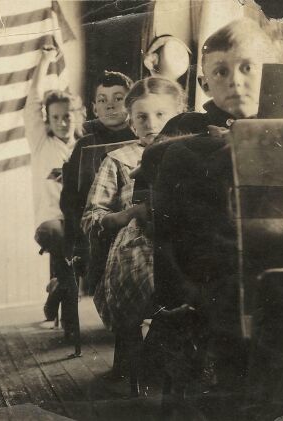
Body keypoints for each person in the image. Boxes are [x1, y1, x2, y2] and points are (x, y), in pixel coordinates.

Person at [137, 18, 281, 403]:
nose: (236, 81)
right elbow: (169, 226)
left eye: (248, 67)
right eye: (221, 71)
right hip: (215, 274)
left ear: (271, 71)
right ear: (204, 84)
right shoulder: (187, 137)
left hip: (281, 262)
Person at [82, 77, 186, 383]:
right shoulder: (118, 160)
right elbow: (91, 216)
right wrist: (125, 215)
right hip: (136, 243)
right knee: (152, 276)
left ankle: (171, 352)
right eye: (142, 116)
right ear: (131, 122)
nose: (152, 124)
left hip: (183, 239)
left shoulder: (191, 153)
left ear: (178, 115)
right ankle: (152, 350)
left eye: (161, 115)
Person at [25, 46, 86, 346]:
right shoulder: (41, 144)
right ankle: (71, 329)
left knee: (70, 268)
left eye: (68, 116)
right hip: (50, 222)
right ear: (48, 120)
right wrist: (45, 61)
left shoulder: (84, 148)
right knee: (66, 249)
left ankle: (56, 295)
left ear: (77, 116)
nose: (63, 122)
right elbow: (31, 103)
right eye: (56, 117)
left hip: (78, 221)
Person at [60, 71, 135, 296]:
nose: (110, 106)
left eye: (118, 98)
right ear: (94, 108)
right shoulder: (85, 145)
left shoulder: (143, 138)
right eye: (102, 100)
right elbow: (71, 200)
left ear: (131, 103)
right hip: (95, 230)